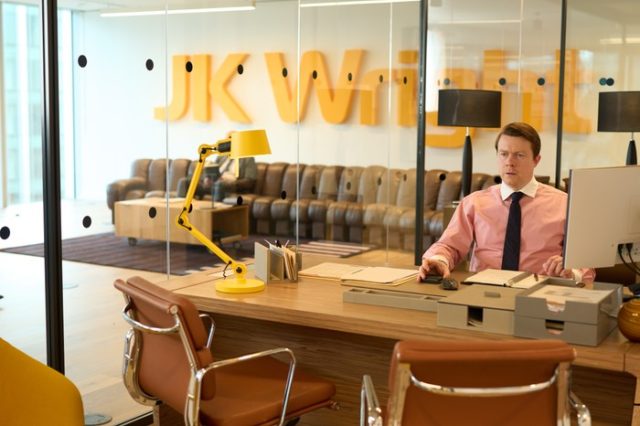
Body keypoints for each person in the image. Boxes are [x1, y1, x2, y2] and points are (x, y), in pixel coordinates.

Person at [419, 122, 595, 284]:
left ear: (536, 160)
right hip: (483, 291)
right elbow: (449, 246)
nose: (510, 162)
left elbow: (586, 267)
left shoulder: (564, 205)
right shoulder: (475, 203)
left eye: (519, 155)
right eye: (504, 154)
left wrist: (571, 271)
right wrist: (439, 260)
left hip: (540, 293)